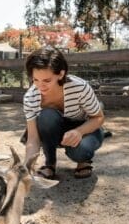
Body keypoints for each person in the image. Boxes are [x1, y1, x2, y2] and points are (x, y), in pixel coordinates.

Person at [22, 46, 105, 179]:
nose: (39, 86)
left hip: (85, 129)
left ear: (61, 74)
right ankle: (50, 164)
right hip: (56, 132)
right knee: (46, 116)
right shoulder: (30, 97)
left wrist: (79, 132)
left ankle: (83, 161)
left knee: (80, 151)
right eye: (35, 80)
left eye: (47, 80)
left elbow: (99, 118)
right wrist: (26, 166)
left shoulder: (80, 87)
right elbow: (33, 138)